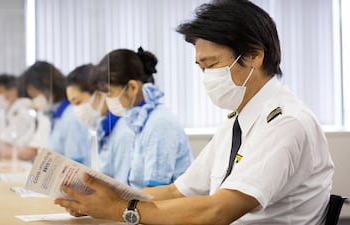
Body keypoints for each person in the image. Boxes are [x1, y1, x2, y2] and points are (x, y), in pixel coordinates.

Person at [54, 0, 334, 224]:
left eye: (211, 65)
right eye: (200, 67)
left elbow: (218, 212)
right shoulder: (237, 119)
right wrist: (100, 197)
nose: (206, 77)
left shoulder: (284, 122)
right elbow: (178, 191)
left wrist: (119, 209)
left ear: (254, 55)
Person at [95, 47, 192, 189]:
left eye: (110, 94)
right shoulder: (140, 123)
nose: (108, 101)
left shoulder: (159, 124)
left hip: (169, 208)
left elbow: (155, 192)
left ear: (132, 88)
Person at [65, 64, 135, 182]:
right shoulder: (102, 129)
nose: (76, 110)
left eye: (78, 102)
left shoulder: (124, 132)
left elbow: (124, 188)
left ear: (99, 94)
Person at [22, 61, 91, 165]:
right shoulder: (56, 117)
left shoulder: (71, 117)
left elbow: (75, 165)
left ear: (47, 86)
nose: (34, 101)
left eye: (35, 96)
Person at [0, 74, 42, 160]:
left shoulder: (22, 108)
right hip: (18, 157)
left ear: (13, 91)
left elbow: (8, 141)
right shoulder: (10, 111)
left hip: (26, 159)